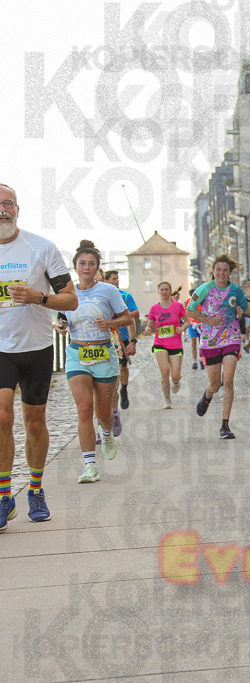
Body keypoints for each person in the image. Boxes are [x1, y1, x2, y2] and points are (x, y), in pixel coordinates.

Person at [0, 183, 77, 526]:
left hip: (37, 348)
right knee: (1, 417)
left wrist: (37, 298)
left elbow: (71, 299)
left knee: (34, 423)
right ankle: (4, 497)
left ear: (18, 209)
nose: (2, 210)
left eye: (7, 204)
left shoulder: (41, 247)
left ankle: (34, 489)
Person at [60, 241, 131, 484]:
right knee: (83, 409)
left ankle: (107, 433)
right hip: (77, 353)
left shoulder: (108, 291)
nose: (87, 267)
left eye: (91, 264)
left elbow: (126, 317)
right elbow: (60, 319)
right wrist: (61, 326)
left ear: (97, 267)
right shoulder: (67, 292)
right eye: (82, 263)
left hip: (103, 353)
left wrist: (110, 324)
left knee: (103, 412)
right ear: (76, 267)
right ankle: (90, 466)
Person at [187, 255, 250, 440]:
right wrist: (207, 320)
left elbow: (249, 312)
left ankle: (225, 425)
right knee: (216, 384)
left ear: (229, 272)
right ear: (213, 271)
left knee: (229, 380)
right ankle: (208, 395)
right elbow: (190, 310)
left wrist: (248, 298)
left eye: (225, 270)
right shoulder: (204, 289)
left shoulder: (235, 290)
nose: (222, 273)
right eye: (218, 270)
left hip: (230, 337)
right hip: (210, 340)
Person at [143, 281, 189, 409]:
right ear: (158, 292)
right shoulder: (154, 308)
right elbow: (150, 324)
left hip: (176, 344)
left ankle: (175, 380)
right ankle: (167, 399)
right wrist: (147, 329)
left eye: (166, 289)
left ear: (170, 291)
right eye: (162, 289)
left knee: (174, 375)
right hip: (160, 343)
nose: (164, 292)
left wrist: (181, 328)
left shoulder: (178, 306)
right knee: (164, 371)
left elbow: (187, 322)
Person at [103, 270, 138, 435]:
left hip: (118, 340)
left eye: (117, 278)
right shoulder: (90, 297)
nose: (116, 281)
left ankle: (122, 392)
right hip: (94, 344)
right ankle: (100, 425)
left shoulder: (122, 296)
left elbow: (132, 316)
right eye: (113, 278)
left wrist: (132, 341)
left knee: (117, 378)